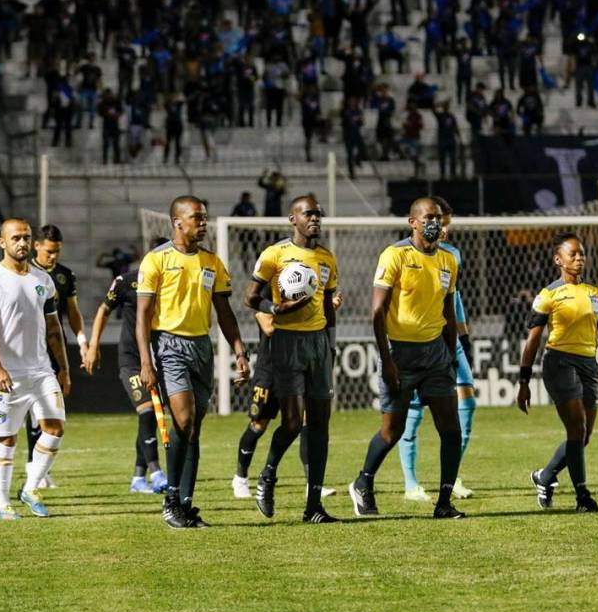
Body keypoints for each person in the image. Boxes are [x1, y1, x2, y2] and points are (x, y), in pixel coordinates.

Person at [136, 196, 251, 528]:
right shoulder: (155, 261)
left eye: (204, 218)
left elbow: (225, 313)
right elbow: (143, 316)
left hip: (202, 346)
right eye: (197, 218)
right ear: (177, 222)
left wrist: (240, 350)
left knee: (194, 428)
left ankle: (186, 504)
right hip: (168, 343)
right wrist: (146, 361)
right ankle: (171, 499)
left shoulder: (212, 262)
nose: (203, 223)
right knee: (183, 421)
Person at [348, 197, 465, 519]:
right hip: (400, 353)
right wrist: (386, 360)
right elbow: (377, 311)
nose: (435, 223)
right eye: (428, 217)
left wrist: (452, 355)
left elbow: (448, 311)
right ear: (412, 222)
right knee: (392, 430)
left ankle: (443, 502)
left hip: (436, 355)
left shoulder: (448, 260)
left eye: (439, 218)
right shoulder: (395, 255)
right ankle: (363, 481)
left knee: (450, 429)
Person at [243, 195, 339, 523]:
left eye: (318, 213)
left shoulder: (326, 258)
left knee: (320, 425)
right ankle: (267, 475)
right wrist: (275, 309)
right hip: (286, 343)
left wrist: (331, 345)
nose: (315, 218)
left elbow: (327, 306)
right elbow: (250, 297)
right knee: (293, 423)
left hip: (318, 344)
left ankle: (313, 506)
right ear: (292, 219)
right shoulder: (275, 255)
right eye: (308, 213)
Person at [518, 233, 598, 513]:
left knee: (583, 436)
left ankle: (544, 477)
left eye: (581, 254)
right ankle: (583, 497)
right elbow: (533, 340)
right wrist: (523, 380)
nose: (579, 259)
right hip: (559, 363)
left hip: (588, 364)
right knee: (576, 429)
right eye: (573, 254)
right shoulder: (548, 295)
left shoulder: (595, 293)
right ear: (559, 259)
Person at [0, 219, 71, 520]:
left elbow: (54, 328)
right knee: (7, 439)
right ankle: (2, 504)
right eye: (15, 238)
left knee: (55, 428)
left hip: (41, 370)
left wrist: (63, 369)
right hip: (8, 374)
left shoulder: (43, 280)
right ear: (2, 242)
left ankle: (29, 488)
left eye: (27, 238)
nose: (22, 243)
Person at [397, 197, 477, 502]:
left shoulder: (452, 255)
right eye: (436, 221)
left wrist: (464, 336)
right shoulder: (407, 253)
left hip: (451, 336)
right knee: (414, 410)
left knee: (467, 403)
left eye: (444, 222)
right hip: (420, 339)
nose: (441, 228)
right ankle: (411, 483)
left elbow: (452, 301)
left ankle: (452, 476)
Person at [83, 238, 169, 494]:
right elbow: (103, 310)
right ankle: (157, 472)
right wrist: (93, 346)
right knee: (147, 412)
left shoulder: (172, 284)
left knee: (150, 419)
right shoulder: (127, 281)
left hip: (161, 359)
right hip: (132, 360)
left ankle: (137, 478)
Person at [28, 224, 87, 487]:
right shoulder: (24, 272)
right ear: (37, 246)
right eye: (50, 251)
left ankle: (38, 467)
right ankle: (33, 465)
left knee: (49, 406)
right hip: (28, 348)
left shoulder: (65, 276)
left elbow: (72, 312)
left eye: (57, 252)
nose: (53, 256)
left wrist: (82, 340)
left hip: (54, 346)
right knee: (33, 406)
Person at [434, 101, 460, 179]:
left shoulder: (451, 116)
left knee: (453, 158)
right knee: (442, 159)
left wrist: (459, 136)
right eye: (445, 106)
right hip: (442, 140)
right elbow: (433, 109)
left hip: (451, 139)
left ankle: (453, 174)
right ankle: (442, 175)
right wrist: (439, 104)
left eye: (447, 106)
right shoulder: (440, 115)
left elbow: (455, 127)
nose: (446, 107)